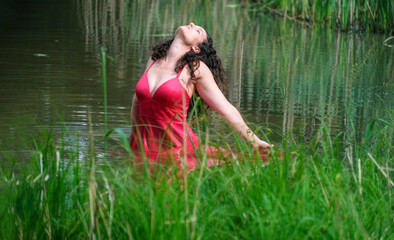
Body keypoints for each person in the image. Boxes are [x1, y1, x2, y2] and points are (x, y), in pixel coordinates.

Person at [129, 23, 272, 170]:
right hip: (141, 147)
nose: (191, 24)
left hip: (179, 150)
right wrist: (132, 138)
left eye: (198, 30)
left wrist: (253, 140)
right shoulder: (154, 60)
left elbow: (225, 108)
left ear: (196, 49)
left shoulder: (195, 69)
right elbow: (137, 101)